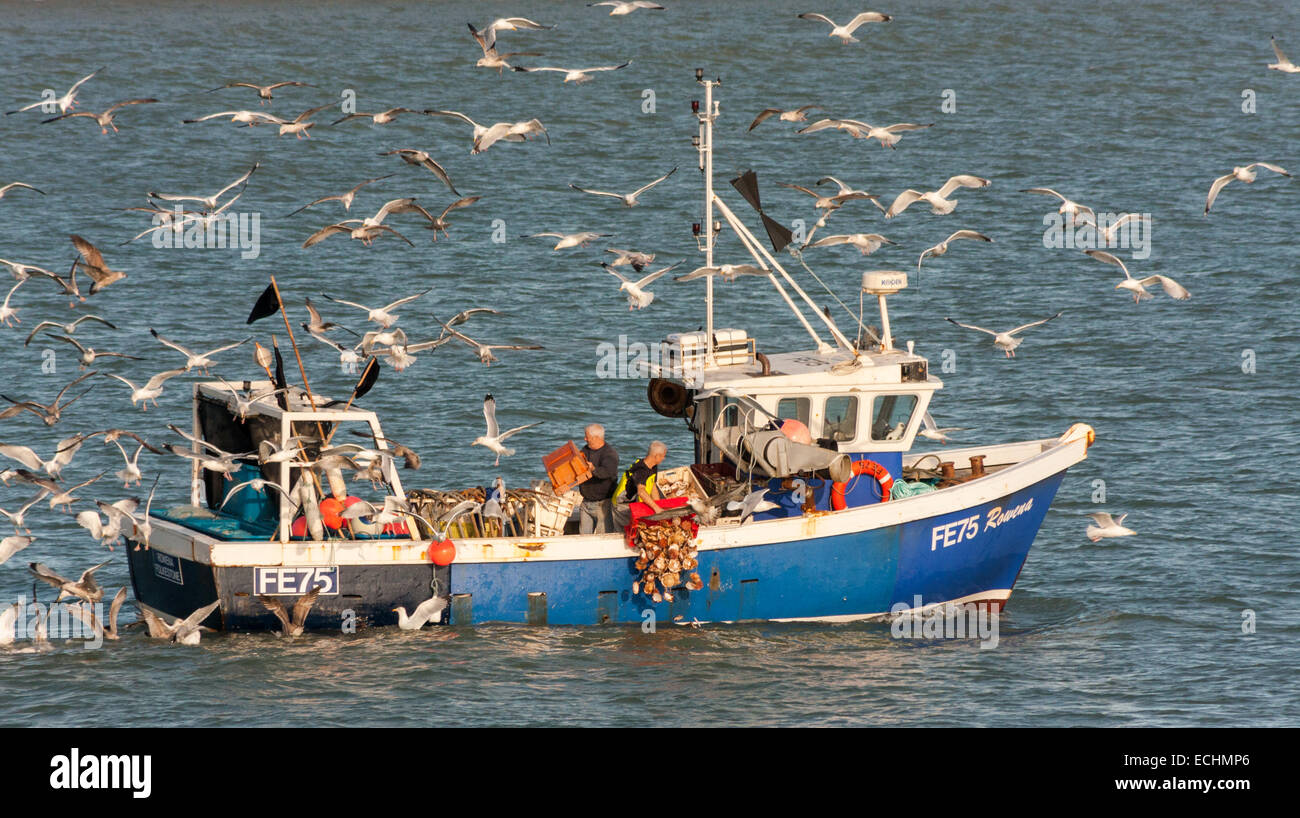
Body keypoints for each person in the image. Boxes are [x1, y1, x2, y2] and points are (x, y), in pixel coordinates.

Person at [611, 441, 667, 530]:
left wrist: (658, 506)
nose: (664, 458)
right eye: (663, 455)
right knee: (626, 532)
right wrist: (656, 508)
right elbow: (641, 492)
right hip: (622, 505)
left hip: (634, 502)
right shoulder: (640, 469)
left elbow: (653, 487)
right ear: (657, 456)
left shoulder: (653, 466)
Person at [577, 423, 618, 534]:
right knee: (583, 537)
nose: (585, 439)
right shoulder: (585, 450)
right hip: (586, 502)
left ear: (596, 438)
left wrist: (593, 469)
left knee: (603, 537)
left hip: (603, 504)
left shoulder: (610, 454)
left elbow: (608, 472)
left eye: (587, 437)